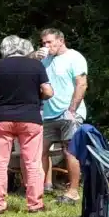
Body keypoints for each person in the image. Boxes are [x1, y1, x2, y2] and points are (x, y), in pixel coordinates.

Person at [0, 36, 53, 214]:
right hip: (30, 118)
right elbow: (48, 91)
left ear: (4, 49)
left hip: (1, 118)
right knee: (33, 162)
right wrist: (36, 98)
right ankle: (35, 204)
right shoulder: (36, 65)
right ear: (24, 49)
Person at [36, 29, 89, 203]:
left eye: (50, 42)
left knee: (70, 152)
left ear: (61, 40)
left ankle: (73, 191)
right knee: (39, 152)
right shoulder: (44, 60)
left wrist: (72, 110)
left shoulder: (74, 57)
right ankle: (41, 189)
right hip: (48, 114)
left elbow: (81, 84)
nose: (46, 46)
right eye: (44, 43)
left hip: (69, 113)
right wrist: (35, 56)